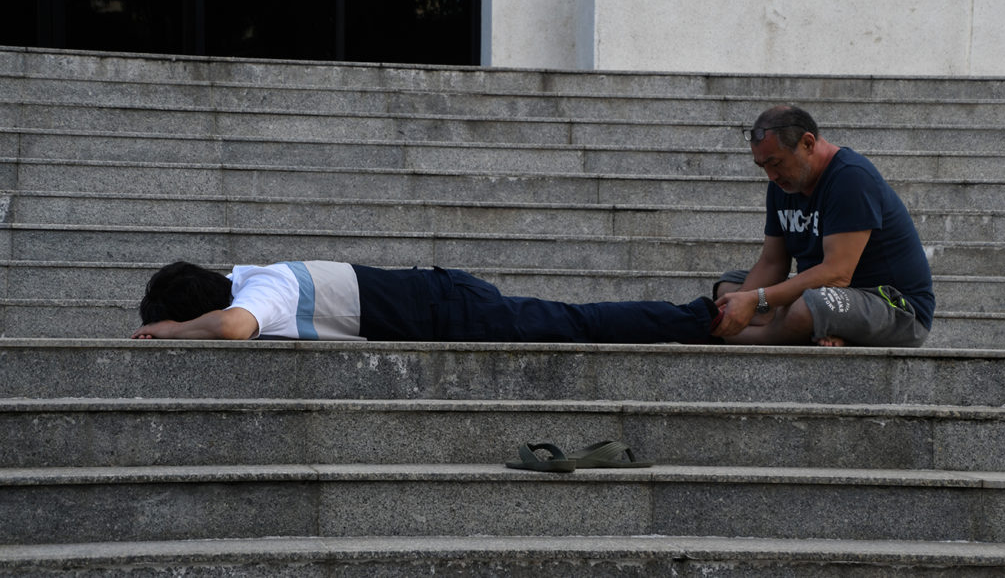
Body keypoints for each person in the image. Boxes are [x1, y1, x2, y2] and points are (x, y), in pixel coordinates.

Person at [713, 104, 934, 347]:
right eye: (763, 166)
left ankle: (732, 337)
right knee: (729, 288)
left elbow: (836, 274)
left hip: (893, 309)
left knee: (809, 307)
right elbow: (772, 263)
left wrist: (757, 301)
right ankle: (806, 329)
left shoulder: (851, 177)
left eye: (776, 163)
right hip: (828, 293)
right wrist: (744, 301)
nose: (771, 176)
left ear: (808, 143)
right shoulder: (783, 186)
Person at [132, 260, 723, 343]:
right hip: (440, 302)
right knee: (573, 321)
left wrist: (174, 331)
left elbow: (235, 329)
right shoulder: (262, 282)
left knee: (576, 324)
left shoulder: (265, 289)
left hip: (449, 307)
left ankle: (701, 315)